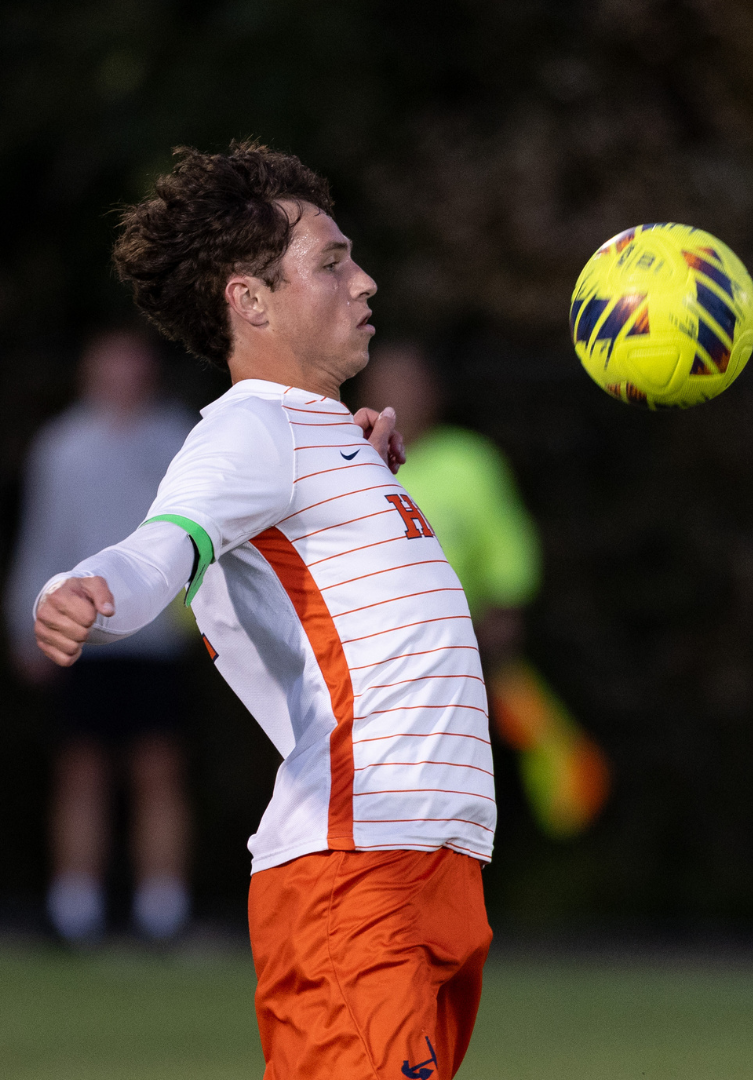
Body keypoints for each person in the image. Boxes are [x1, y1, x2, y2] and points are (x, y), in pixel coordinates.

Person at [34, 143, 491, 1079]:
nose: (365, 281)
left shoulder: (329, 436)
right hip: (356, 868)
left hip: (431, 862)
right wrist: (84, 591)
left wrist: (360, 465)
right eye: (332, 263)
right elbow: (163, 545)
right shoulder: (251, 427)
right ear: (251, 300)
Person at [353, 344, 609, 839]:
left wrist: (505, 608)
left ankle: (550, 828)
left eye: (411, 384)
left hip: (460, 649)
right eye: (387, 383)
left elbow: (508, 544)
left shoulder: (469, 461)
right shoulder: (346, 462)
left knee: (475, 761)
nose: (399, 398)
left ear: (435, 393)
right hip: (366, 655)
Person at [6, 328, 196, 944]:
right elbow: (43, 537)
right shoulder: (63, 445)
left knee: (158, 769)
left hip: (158, 636)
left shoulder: (178, 440)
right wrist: (27, 622)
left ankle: (162, 910)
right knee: (80, 769)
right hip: (82, 633)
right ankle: (75, 909)